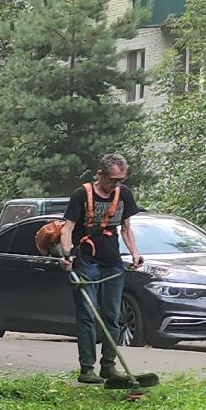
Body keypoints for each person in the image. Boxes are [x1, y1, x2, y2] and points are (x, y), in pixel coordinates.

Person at [56, 154, 144, 383]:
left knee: (112, 316)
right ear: (100, 174)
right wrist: (67, 256)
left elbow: (126, 228)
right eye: (113, 179)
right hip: (86, 260)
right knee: (87, 315)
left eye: (121, 179)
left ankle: (108, 366)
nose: (117, 184)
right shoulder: (81, 195)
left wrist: (134, 254)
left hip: (112, 262)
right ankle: (87, 369)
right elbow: (67, 228)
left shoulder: (123, 194)